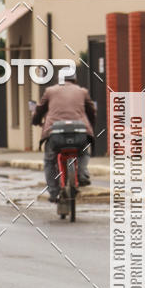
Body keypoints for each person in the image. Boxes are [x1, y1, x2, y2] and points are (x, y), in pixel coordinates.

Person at [31, 73, 96, 201]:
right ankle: (82, 174)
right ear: (75, 80)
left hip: (55, 134)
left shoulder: (50, 91)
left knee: (49, 160)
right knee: (83, 152)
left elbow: (40, 110)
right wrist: (90, 126)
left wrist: (36, 120)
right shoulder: (82, 92)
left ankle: (54, 193)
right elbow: (91, 111)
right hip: (79, 133)